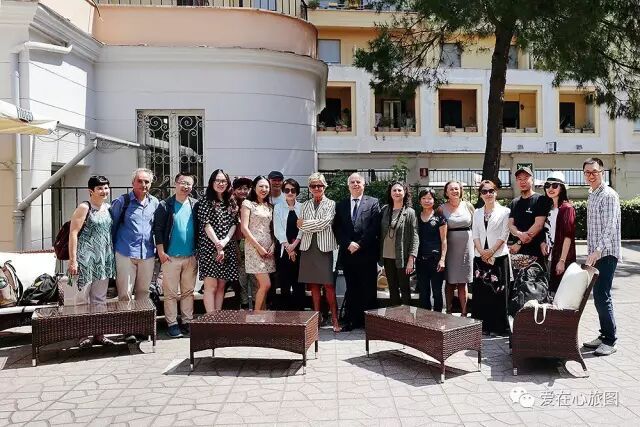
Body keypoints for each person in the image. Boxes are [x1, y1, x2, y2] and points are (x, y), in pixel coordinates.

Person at [111, 168, 159, 343]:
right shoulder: (122, 202)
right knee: (125, 293)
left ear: (150, 184)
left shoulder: (155, 203)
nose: (143, 184)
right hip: (125, 252)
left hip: (147, 253)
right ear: (133, 183)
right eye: (140, 181)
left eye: (147, 182)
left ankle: (141, 328)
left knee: (143, 292)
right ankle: (127, 329)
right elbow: (112, 226)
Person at [68, 175, 116, 348]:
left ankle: (99, 333)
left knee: (100, 299)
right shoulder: (84, 207)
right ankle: (82, 335)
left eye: (106, 187)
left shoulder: (108, 208)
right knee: (81, 298)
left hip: (103, 259)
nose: (104, 191)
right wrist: (73, 260)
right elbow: (73, 233)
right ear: (91, 191)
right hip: (85, 260)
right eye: (100, 188)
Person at [582, 158, 621, 356]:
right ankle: (604, 334)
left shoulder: (608, 195)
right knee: (598, 296)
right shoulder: (592, 194)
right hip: (596, 254)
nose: (591, 175)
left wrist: (597, 250)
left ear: (602, 173)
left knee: (602, 295)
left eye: (594, 172)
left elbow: (610, 226)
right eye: (587, 172)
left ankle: (610, 340)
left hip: (606, 253)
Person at [334, 173, 381, 330]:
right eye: (352, 182)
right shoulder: (341, 205)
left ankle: (369, 322)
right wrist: (348, 243)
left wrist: (359, 244)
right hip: (349, 254)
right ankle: (352, 320)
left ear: (363, 185)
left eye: (358, 182)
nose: (355, 184)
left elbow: (374, 227)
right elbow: (337, 228)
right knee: (352, 288)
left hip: (367, 253)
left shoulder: (373, 202)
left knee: (368, 288)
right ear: (348, 186)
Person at [153, 172, 198, 338]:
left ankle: (187, 321)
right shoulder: (165, 205)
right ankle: (172, 323)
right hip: (170, 257)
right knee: (170, 293)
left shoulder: (195, 204)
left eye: (189, 184)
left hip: (190, 256)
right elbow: (157, 230)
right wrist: (161, 252)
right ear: (176, 183)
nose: (185, 186)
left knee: (188, 292)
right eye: (183, 183)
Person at [297, 173, 341, 332]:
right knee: (314, 286)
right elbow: (300, 226)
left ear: (325, 186)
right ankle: (316, 318)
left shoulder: (331, 204)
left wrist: (305, 224)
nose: (316, 188)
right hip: (308, 247)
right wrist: (304, 225)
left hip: (325, 248)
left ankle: (334, 318)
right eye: (313, 186)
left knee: (329, 285)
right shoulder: (305, 205)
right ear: (309, 188)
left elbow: (325, 223)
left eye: (319, 185)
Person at [471, 180, 510, 336]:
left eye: (491, 191)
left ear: (496, 192)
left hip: (498, 256)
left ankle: (498, 327)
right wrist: (482, 252)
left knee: (498, 292)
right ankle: (482, 326)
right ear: (480, 195)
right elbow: (475, 234)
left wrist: (491, 251)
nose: (488, 194)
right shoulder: (477, 212)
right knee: (482, 292)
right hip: (480, 257)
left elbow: (504, 234)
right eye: (484, 191)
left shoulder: (505, 211)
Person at [197, 169, 239, 312]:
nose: (221, 184)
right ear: (212, 182)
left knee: (221, 285)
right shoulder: (205, 200)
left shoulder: (231, 201)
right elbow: (206, 224)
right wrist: (218, 244)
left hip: (227, 247)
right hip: (209, 248)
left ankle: (218, 317)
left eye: (224, 181)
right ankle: (211, 318)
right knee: (211, 286)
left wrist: (225, 241)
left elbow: (234, 223)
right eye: (218, 180)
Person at [240, 176, 276, 311]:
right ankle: (257, 315)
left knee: (262, 286)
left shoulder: (269, 206)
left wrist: (273, 246)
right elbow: (244, 228)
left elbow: (272, 229)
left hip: (268, 249)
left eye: (266, 187)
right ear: (254, 188)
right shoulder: (247, 204)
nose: (264, 189)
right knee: (266, 284)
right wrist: (259, 247)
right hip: (254, 248)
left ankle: (263, 315)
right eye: (261, 186)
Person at [380, 181, 419, 306]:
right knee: (392, 289)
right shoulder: (385, 210)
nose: (397, 192)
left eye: (399, 190)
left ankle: (406, 316)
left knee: (405, 288)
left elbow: (415, 237)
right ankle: (394, 315)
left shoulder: (410, 212)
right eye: (394, 190)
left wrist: (411, 259)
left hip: (402, 257)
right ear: (390, 193)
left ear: (405, 192)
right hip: (387, 256)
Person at [438, 180, 474, 316]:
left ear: (461, 191)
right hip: (449, 248)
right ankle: (448, 312)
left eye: (457, 189)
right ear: (446, 192)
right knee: (450, 281)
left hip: (466, 247)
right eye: (451, 189)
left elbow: (476, 225)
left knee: (463, 282)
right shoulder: (441, 208)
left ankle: (464, 313)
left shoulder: (468, 206)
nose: (454, 191)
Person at [541, 171, 576, 295]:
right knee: (550, 293)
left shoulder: (567, 208)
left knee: (560, 294)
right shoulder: (548, 208)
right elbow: (547, 230)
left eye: (555, 185)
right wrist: (543, 242)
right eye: (547, 185)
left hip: (561, 257)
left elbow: (568, 237)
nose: (550, 188)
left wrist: (562, 261)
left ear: (562, 188)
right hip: (549, 257)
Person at [273, 178, 304, 310]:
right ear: (283, 192)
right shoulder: (278, 207)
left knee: (299, 282)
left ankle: (300, 313)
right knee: (284, 282)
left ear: (297, 191)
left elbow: (303, 228)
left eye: (293, 190)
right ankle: (285, 314)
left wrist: (295, 244)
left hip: (300, 248)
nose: (290, 193)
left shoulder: (302, 207)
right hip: (284, 249)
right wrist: (288, 248)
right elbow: (278, 229)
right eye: (287, 190)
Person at [415, 188, 447, 312]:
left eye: (429, 198)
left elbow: (444, 240)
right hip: (420, 259)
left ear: (434, 200)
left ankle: (438, 318)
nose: (426, 201)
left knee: (437, 291)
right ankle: (425, 319)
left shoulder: (440, 217)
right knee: (423, 292)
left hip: (435, 259)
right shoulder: (416, 217)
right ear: (420, 201)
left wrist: (442, 259)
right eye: (423, 198)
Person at [231, 176, 255, 309]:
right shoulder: (231, 205)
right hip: (237, 244)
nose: (243, 191)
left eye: (246, 188)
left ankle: (257, 309)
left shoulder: (252, 203)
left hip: (252, 244)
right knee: (241, 281)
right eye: (239, 189)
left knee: (255, 280)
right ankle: (244, 308)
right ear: (234, 190)